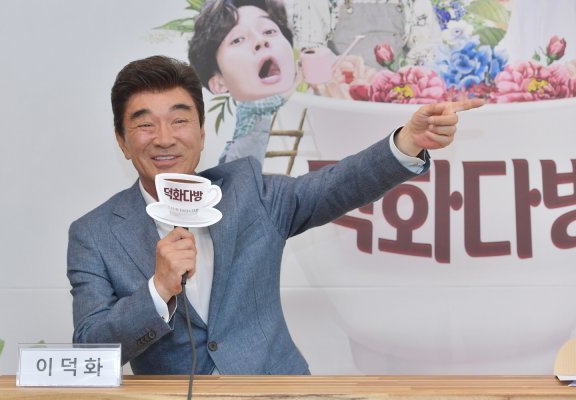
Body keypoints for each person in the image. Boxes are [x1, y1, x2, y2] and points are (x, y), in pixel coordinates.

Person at [67, 55, 483, 375]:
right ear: (122, 141)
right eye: (145, 125)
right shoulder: (94, 234)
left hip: (275, 391)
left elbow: (338, 185)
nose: (164, 138)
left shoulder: (248, 192)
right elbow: (90, 350)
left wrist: (406, 142)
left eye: (179, 120)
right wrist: (158, 290)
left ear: (201, 132)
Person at [188, 0, 297, 165]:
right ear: (219, 83)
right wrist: (299, 79)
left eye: (269, 31)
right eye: (238, 40)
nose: (261, 40)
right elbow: (276, 101)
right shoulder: (249, 107)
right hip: (239, 166)